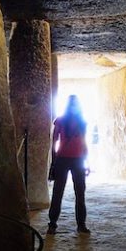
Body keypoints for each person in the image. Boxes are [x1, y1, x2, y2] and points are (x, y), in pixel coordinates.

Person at [47, 95, 90, 235]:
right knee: (58, 192)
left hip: (77, 160)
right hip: (63, 159)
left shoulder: (81, 122)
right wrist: (53, 162)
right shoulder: (60, 121)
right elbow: (53, 143)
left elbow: (84, 143)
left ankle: (81, 224)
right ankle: (52, 223)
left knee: (80, 192)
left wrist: (87, 161)